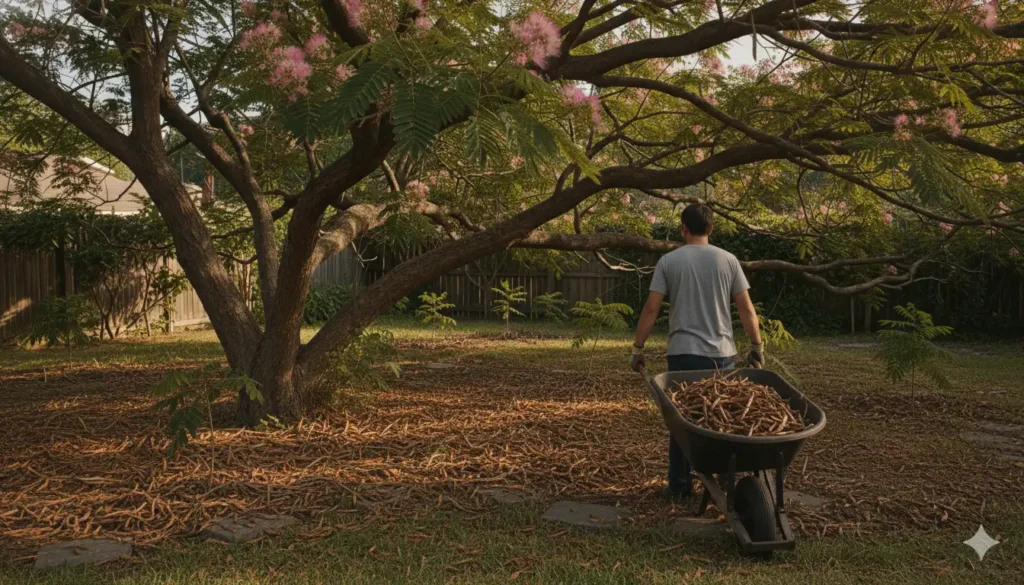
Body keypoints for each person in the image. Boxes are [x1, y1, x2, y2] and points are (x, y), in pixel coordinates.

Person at [630, 203, 763, 501]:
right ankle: (722, 484)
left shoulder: (669, 261)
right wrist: (757, 346)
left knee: (682, 423)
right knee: (721, 419)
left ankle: (679, 488)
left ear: (683, 228)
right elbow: (746, 309)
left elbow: (651, 309)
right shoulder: (728, 260)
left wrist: (638, 348)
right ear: (711, 229)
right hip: (722, 356)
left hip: (683, 355)